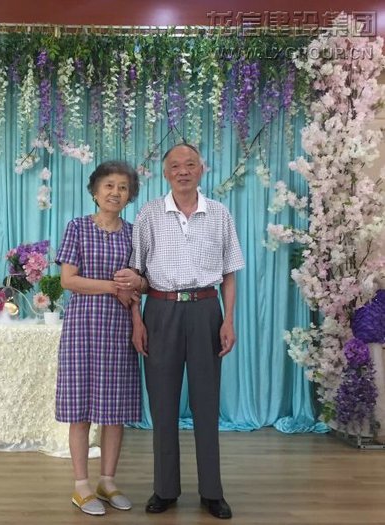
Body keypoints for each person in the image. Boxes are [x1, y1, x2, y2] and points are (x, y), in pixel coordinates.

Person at [116, 143, 244, 520]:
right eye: (175, 166)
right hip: (160, 310)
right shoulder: (149, 214)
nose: (183, 171)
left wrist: (228, 319)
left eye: (190, 164)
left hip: (206, 309)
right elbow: (136, 273)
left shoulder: (219, 214)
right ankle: (165, 489)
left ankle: (212, 492)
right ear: (165, 172)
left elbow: (229, 273)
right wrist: (137, 320)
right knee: (163, 404)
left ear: (202, 169)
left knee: (206, 403)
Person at [55, 161, 142, 516]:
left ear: (130, 195)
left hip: (119, 329)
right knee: (80, 409)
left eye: (123, 187)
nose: (115, 192)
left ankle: (107, 481)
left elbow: (138, 285)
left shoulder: (134, 234)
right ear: (94, 191)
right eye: (109, 185)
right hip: (82, 328)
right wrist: (112, 287)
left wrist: (136, 310)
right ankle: (81, 486)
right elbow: (68, 280)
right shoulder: (77, 227)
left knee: (114, 410)